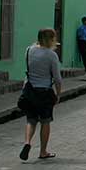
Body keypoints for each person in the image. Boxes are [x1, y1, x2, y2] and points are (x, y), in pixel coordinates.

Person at [19, 29, 62, 161]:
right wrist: (58, 94)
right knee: (45, 121)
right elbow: (57, 78)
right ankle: (43, 151)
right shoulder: (51, 55)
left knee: (31, 120)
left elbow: (28, 70)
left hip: (30, 90)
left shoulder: (29, 50)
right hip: (44, 92)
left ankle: (27, 142)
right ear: (51, 39)